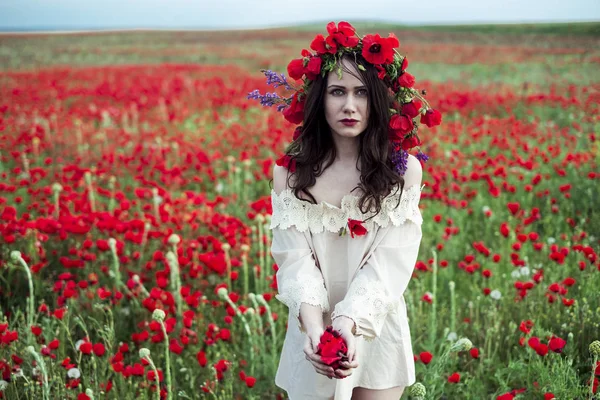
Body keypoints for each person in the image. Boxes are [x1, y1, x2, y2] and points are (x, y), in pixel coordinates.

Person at [252, 21, 440, 400]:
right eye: (337, 92)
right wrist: (316, 328)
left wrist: (348, 321)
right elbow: (293, 259)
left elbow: (388, 264)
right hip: (312, 332)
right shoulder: (288, 176)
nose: (350, 106)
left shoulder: (404, 172)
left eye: (361, 93)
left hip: (374, 324)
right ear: (319, 100)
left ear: (378, 100)